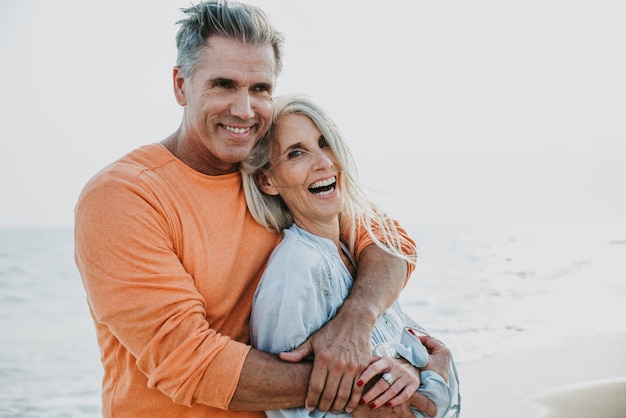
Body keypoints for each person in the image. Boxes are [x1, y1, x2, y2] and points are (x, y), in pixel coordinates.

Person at [74, 1, 446, 417]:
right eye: (223, 85)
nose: (244, 110)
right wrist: (373, 386)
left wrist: (356, 324)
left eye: (260, 89)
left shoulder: (276, 175)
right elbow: (188, 363)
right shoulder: (124, 196)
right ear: (181, 85)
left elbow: (392, 243)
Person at [242, 94, 460, 418]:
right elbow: (292, 411)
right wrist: (430, 383)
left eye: (324, 143)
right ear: (267, 179)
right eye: (296, 153)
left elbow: (428, 358)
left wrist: (412, 372)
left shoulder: (353, 252)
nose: (324, 163)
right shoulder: (296, 272)